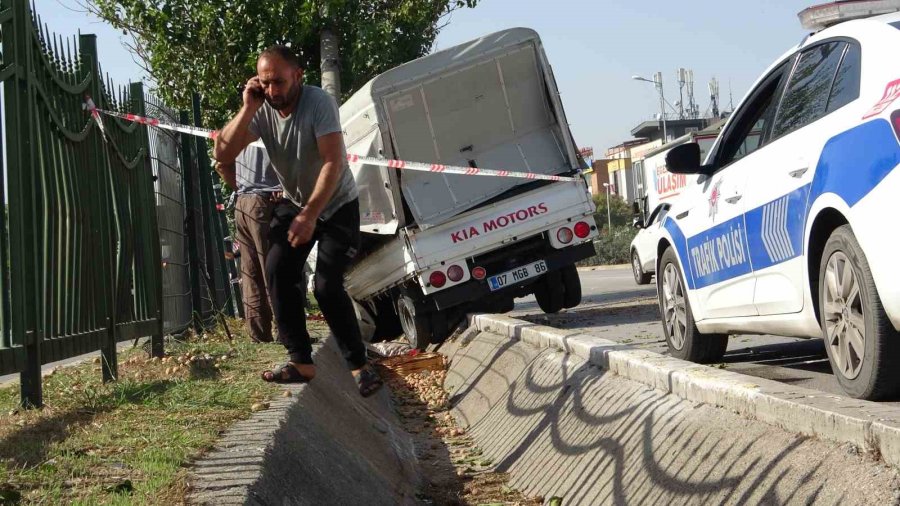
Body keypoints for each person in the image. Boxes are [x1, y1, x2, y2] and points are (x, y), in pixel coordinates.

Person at [213, 45, 383, 397]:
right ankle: (301, 361)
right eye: (265, 83)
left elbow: (333, 163)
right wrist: (247, 107)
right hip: (295, 201)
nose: (273, 91)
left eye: (279, 82)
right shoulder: (260, 110)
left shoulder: (318, 103)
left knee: (325, 286)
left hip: (336, 203)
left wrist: (311, 214)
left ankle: (359, 365)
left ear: (298, 76)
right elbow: (223, 153)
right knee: (277, 267)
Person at [215, 147, 281, 343]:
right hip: (264, 203)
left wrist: (242, 189)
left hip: (242, 204)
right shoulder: (272, 124)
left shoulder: (241, 128)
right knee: (274, 269)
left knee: (250, 273)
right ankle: (285, 331)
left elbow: (221, 165)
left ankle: (258, 333)